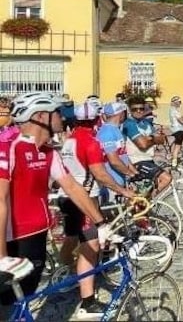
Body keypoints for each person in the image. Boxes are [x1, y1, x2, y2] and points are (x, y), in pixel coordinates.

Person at [0, 92, 110, 303]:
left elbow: (72, 187)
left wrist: (100, 223)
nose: (63, 117)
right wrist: (1, 257)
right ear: (41, 116)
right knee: (6, 304)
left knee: (23, 302)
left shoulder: (49, 152)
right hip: (12, 240)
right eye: (57, 112)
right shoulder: (8, 147)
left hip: (37, 236)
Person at [57, 101, 135, 318]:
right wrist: (123, 190)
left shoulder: (69, 140)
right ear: (96, 119)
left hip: (67, 197)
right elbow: (100, 174)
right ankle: (87, 302)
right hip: (85, 198)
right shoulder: (90, 142)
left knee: (73, 237)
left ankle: (66, 272)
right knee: (90, 248)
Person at [122, 96, 172, 194]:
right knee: (166, 178)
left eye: (141, 108)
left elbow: (162, 139)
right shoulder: (129, 124)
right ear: (129, 110)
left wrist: (150, 139)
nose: (139, 111)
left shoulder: (146, 123)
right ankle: (148, 203)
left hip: (148, 159)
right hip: (135, 161)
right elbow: (143, 145)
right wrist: (153, 139)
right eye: (135, 109)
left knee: (148, 188)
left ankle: (142, 205)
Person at [97, 102, 139, 204]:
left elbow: (122, 154)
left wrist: (134, 171)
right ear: (120, 114)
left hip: (120, 180)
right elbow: (114, 160)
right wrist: (130, 174)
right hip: (111, 183)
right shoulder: (107, 132)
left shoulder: (115, 129)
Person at [168, 96, 183, 168]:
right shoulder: (175, 111)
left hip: (174, 129)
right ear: (176, 102)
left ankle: (174, 158)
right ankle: (174, 162)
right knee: (177, 146)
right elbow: (181, 121)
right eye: (179, 102)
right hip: (178, 129)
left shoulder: (173, 109)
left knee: (175, 145)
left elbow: (181, 117)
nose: (180, 103)